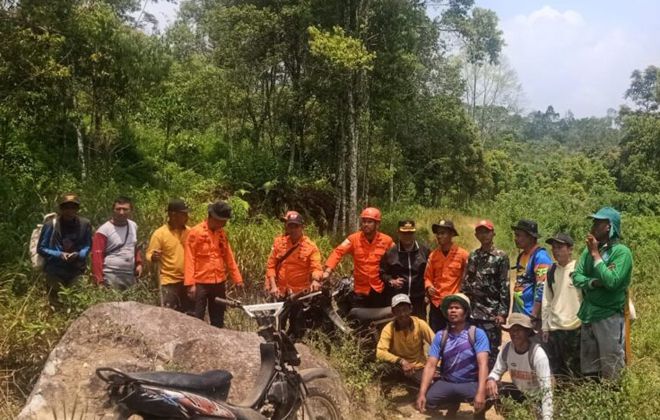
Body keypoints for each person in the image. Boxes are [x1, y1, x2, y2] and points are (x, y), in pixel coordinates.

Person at [572, 207, 632, 380]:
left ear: (608, 227)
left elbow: (612, 282)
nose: (593, 226)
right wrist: (594, 282)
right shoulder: (587, 251)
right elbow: (577, 277)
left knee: (612, 368)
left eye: (598, 222)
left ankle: (615, 403)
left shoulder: (622, 253)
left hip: (609, 317)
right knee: (589, 369)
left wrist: (596, 255)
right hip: (589, 315)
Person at [416, 293, 490, 419]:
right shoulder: (441, 336)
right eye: (450, 308)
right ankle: (452, 406)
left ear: (466, 312)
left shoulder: (477, 334)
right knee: (428, 400)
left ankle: (479, 415)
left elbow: (483, 364)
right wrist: (422, 393)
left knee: (490, 395)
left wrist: (481, 392)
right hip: (448, 382)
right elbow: (430, 365)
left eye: (457, 308)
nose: (453, 311)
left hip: (470, 383)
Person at [265, 211, 323, 338]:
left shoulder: (311, 247)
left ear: (302, 227)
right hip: (280, 293)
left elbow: (316, 267)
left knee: (298, 329)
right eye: (290, 226)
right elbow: (270, 266)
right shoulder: (279, 243)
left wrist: (315, 280)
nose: (293, 229)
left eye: (296, 226)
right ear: (287, 227)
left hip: (299, 295)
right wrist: (273, 286)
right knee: (274, 327)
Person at [185, 201, 243, 328]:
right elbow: (189, 258)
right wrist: (190, 284)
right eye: (222, 221)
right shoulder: (195, 232)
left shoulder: (221, 234)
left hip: (218, 282)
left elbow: (229, 257)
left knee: (218, 319)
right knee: (196, 318)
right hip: (200, 282)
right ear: (212, 217)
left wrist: (237, 279)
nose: (224, 224)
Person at [461, 219, 510, 369]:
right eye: (480, 232)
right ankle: (474, 382)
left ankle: (490, 383)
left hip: (491, 313)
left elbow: (504, 285)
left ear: (493, 234)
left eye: (486, 232)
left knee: (491, 349)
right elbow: (466, 281)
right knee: (471, 347)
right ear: (476, 235)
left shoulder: (501, 256)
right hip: (474, 312)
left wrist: (502, 313)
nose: (483, 235)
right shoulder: (474, 256)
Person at [486, 313, 553, 420]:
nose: (514, 333)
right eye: (512, 330)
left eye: (518, 330)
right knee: (494, 388)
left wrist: (547, 417)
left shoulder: (537, 354)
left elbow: (546, 390)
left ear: (527, 332)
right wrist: (491, 379)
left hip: (536, 398)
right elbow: (496, 372)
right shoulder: (507, 349)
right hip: (519, 392)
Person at [324, 207, 394, 308]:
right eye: (364, 221)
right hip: (360, 290)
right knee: (357, 319)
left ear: (377, 224)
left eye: (369, 222)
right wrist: (328, 271)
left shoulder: (387, 241)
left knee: (381, 319)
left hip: (380, 289)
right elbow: (338, 252)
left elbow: (398, 257)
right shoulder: (353, 239)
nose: (365, 224)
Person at [37, 193, 92, 305]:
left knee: (76, 302)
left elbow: (88, 245)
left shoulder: (85, 224)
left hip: (76, 270)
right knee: (55, 303)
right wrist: (59, 254)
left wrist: (79, 254)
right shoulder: (50, 225)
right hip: (55, 270)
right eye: (66, 207)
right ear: (61, 208)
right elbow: (41, 248)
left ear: (77, 209)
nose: (69, 210)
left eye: (73, 207)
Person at [541, 232, 582, 377]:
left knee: (575, 371)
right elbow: (547, 300)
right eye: (553, 247)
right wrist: (545, 327)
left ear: (570, 249)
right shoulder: (551, 270)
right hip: (555, 328)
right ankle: (560, 398)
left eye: (560, 247)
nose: (555, 250)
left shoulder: (579, 268)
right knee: (557, 372)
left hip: (575, 328)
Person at [377, 294, 435, 385]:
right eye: (398, 311)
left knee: (430, 384)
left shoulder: (420, 324)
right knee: (382, 368)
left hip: (417, 367)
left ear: (411, 309)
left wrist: (436, 364)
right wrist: (401, 361)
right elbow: (380, 352)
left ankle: (412, 382)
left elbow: (436, 344)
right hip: (399, 365)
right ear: (393, 312)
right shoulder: (389, 328)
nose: (402, 314)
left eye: (405, 310)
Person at [145, 198, 191, 312]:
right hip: (169, 281)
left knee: (189, 315)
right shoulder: (160, 234)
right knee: (168, 315)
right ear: (172, 215)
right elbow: (149, 254)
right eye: (183, 214)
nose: (187, 217)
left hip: (187, 281)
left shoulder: (190, 232)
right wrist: (153, 257)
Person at [424, 219, 469, 332]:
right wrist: (429, 287)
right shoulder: (433, 255)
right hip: (437, 303)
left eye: (443, 233)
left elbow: (468, 276)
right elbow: (427, 277)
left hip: (454, 303)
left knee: (455, 336)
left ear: (451, 234)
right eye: (438, 233)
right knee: (436, 337)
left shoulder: (462, 254)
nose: (439, 236)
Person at [380, 220, 430, 319]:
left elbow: (432, 274)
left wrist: (428, 294)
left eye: (410, 233)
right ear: (398, 233)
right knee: (399, 329)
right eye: (404, 233)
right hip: (399, 299)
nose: (407, 236)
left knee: (419, 327)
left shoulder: (424, 251)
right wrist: (391, 281)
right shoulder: (391, 253)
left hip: (419, 299)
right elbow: (382, 273)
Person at [92, 196, 143, 289]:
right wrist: (99, 281)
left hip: (129, 274)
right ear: (113, 210)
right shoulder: (103, 230)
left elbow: (134, 245)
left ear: (131, 210)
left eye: (125, 209)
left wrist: (139, 264)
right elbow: (97, 256)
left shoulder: (133, 225)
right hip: (110, 274)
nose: (121, 212)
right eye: (118, 209)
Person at [511, 219, 552, 329]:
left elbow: (541, 287)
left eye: (519, 235)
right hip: (519, 313)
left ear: (530, 237)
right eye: (515, 235)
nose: (516, 239)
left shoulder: (540, 257)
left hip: (530, 316)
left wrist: (534, 315)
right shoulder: (522, 255)